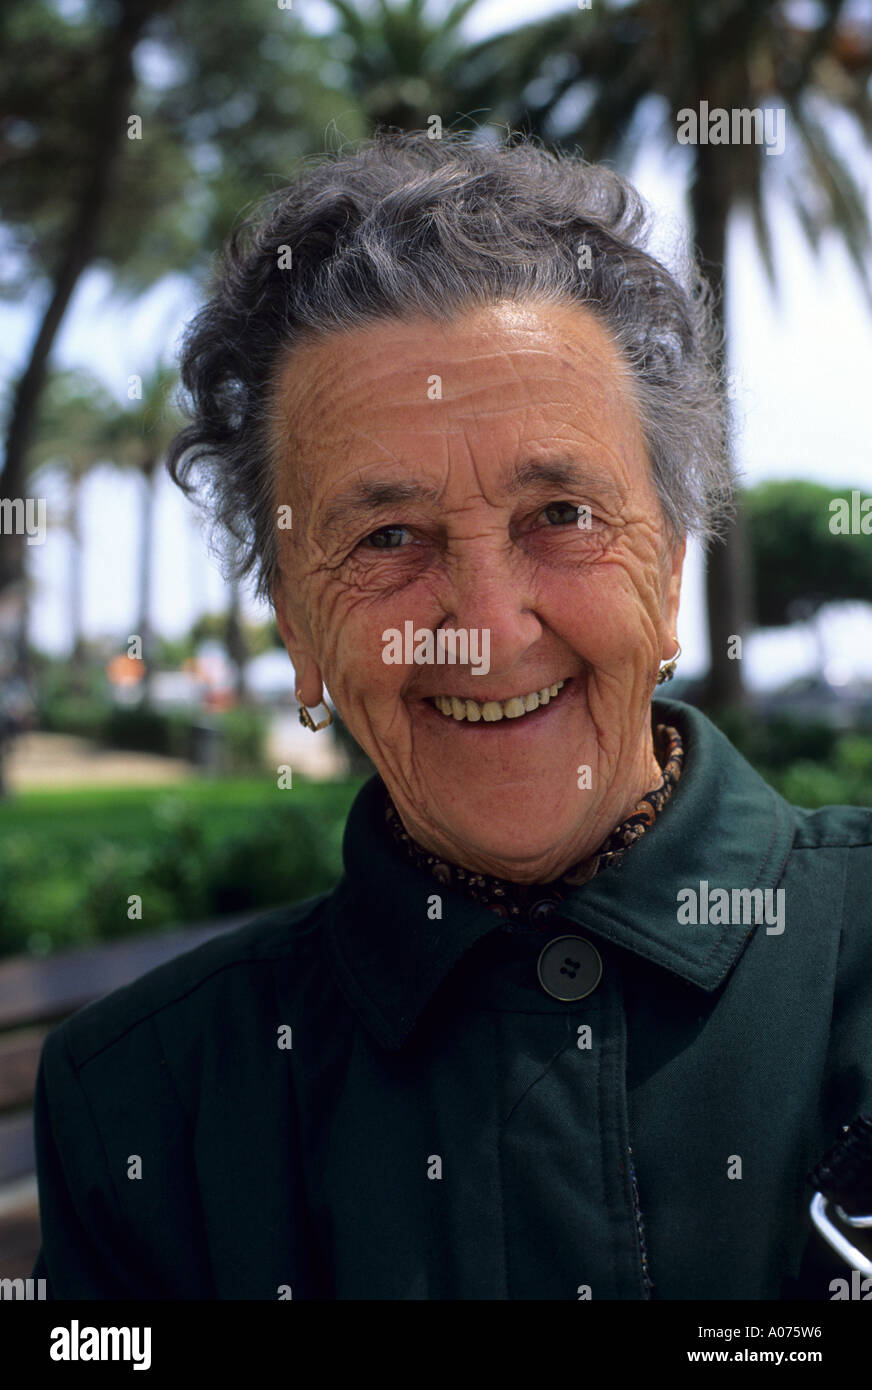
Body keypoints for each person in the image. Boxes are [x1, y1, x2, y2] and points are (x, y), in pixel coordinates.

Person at [31, 130, 872, 1300]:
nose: (486, 622)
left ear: (669, 570)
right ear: (294, 625)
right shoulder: (143, 1100)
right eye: (387, 538)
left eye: (561, 512)